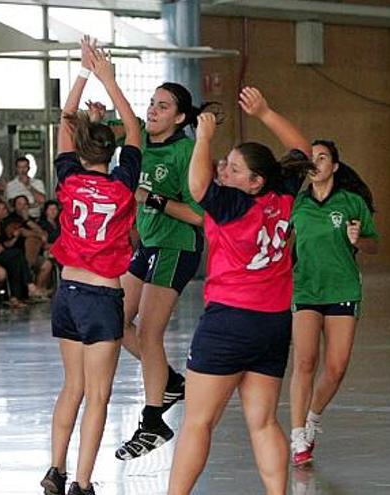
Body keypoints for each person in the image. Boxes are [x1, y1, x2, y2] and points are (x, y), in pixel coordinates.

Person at [167, 87, 314, 495]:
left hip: (229, 321)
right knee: (263, 420)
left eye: (232, 169)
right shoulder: (281, 196)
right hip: (272, 324)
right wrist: (265, 111)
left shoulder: (232, 203)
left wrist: (203, 138)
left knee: (198, 421)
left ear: (254, 182)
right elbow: (301, 149)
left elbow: (197, 187)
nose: (223, 171)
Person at [41, 37, 142, 495]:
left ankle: (55, 470)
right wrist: (111, 79)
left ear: (79, 150)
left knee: (71, 388)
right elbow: (135, 130)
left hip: (67, 294)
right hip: (102, 297)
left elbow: (65, 126)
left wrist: (83, 74)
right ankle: (82, 482)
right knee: (98, 396)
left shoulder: (68, 179)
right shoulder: (122, 184)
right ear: (111, 154)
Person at [107, 81, 210, 460]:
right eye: (151, 103)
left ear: (180, 117)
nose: (152, 110)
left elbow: (199, 216)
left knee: (149, 332)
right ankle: (168, 380)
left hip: (176, 245)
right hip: (147, 244)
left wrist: (150, 198)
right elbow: (121, 121)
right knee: (112, 319)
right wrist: (102, 87)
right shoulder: (140, 142)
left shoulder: (187, 152)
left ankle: (153, 422)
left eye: (163, 106)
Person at [288, 139, 379, 466]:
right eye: (311, 158)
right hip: (306, 290)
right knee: (304, 362)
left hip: (342, 290)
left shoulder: (352, 203)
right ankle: (297, 434)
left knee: (336, 367)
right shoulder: (297, 204)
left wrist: (359, 240)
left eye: (322, 157)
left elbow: (374, 246)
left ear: (335, 167)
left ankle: (313, 416)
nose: (316, 162)